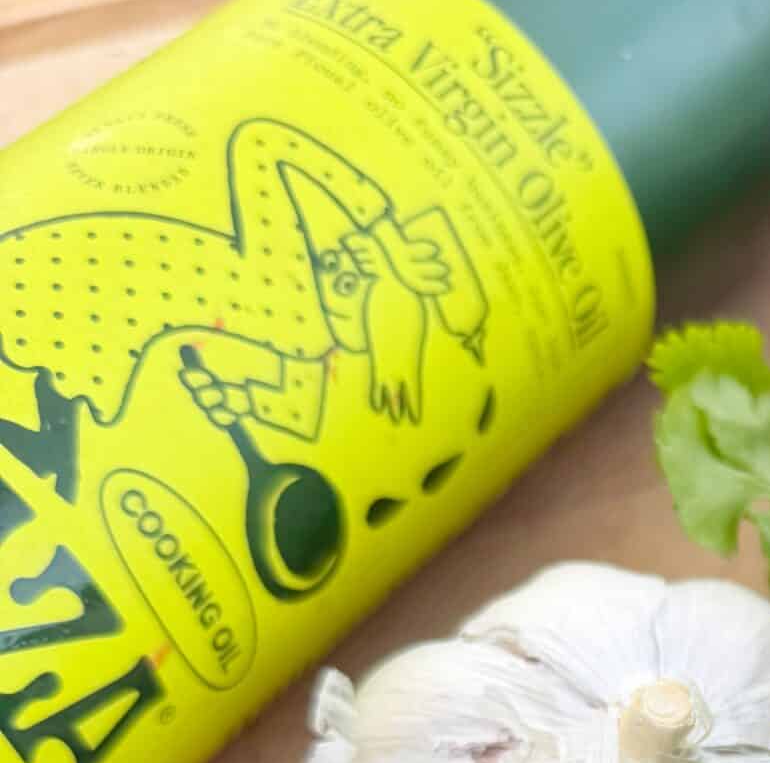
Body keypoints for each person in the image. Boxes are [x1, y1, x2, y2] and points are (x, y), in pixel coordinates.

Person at [0, 115, 468, 501]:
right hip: (82, 289)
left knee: (68, 454)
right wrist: (387, 236)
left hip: (106, 338)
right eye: (357, 255)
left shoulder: (310, 335)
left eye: (358, 278)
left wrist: (235, 399)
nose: (348, 256)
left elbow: (298, 413)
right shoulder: (288, 277)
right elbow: (262, 142)